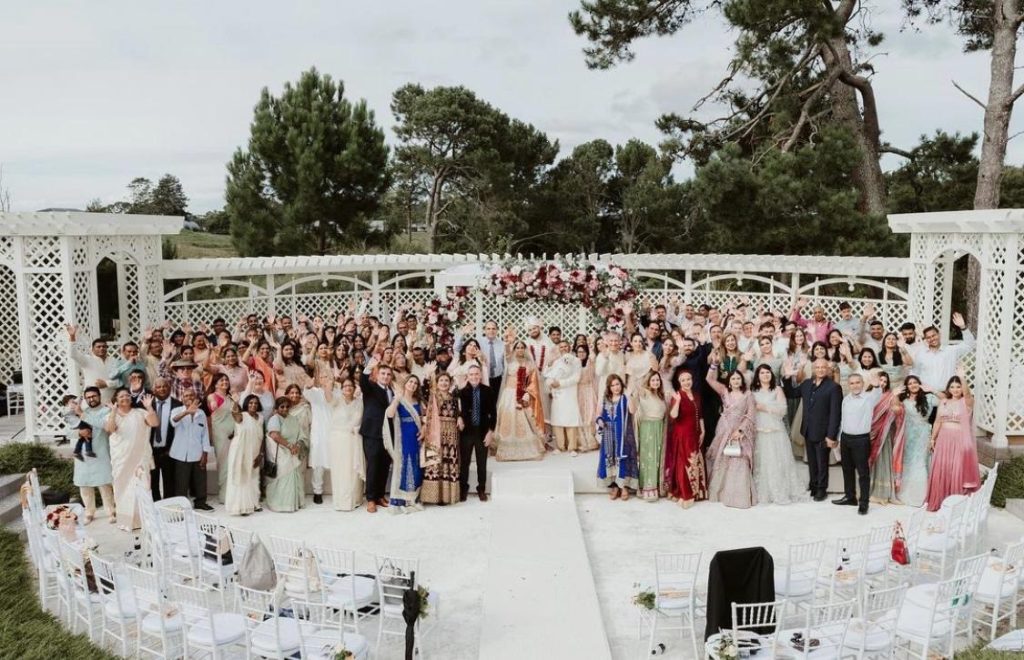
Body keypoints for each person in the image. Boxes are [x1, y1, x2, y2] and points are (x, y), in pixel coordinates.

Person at [924, 370, 981, 511]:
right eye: (952, 387)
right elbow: (937, 422)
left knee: (957, 469)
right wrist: (932, 439)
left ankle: (955, 504)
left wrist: (962, 377)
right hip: (943, 439)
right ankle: (940, 500)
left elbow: (967, 393)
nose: (955, 390)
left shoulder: (966, 402)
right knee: (942, 468)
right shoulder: (943, 402)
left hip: (959, 441)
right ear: (948, 389)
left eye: (958, 386)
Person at [704, 360, 757, 509]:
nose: (735, 380)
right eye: (733, 378)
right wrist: (714, 365)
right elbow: (709, 379)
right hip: (724, 429)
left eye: (738, 378)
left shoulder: (748, 395)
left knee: (739, 460)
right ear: (729, 381)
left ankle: (739, 497)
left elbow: (751, 415)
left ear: (742, 380)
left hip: (740, 432)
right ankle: (721, 493)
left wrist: (740, 431)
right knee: (723, 458)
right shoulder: (724, 391)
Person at [750, 365, 805, 505]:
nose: (765, 375)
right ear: (758, 376)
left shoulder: (777, 389)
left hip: (775, 430)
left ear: (771, 374)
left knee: (776, 459)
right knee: (763, 460)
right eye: (762, 373)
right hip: (759, 430)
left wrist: (765, 407)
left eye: (767, 372)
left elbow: (783, 410)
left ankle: (780, 490)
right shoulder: (752, 392)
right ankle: (764, 492)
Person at [104, 388, 158, 531]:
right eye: (121, 396)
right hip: (121, 460)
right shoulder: (111, 415)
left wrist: (149, 407)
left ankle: (145, 520)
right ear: (116, 399)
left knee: (143, 487)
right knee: (123, 490)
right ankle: (127, 521)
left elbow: (154, 423)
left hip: (139, 458)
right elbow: (110, 429)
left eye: (127, 395)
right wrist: (113, 412)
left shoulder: (140, 413)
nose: (125, 398)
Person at [834, 372, 881, 515]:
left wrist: (876, 384)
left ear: (862, 384)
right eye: (852, 383)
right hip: (845, 438)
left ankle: (864, 503)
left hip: (861, 440)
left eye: (858, 382)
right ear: (848, 385)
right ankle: (850, 497)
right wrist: (839, 439)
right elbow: (843, 420)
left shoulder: (868, 398)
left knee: (863, 472)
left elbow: (878, 393)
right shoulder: (846, 399)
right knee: (847, 469)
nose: (855, 385)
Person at [794, 359, 842, 501]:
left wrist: (831, 435)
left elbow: (835, 413)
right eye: (817, 367)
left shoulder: (834, 387)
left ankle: (822, 489)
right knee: (812, 461)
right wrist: (789, 374)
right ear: (813, 369)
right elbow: (792, 392)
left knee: (822, 463)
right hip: (808, 430)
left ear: (828, 369)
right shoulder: (807, 383)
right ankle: (813, 485)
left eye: (823, 367)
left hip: (823, 432)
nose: (820, 369)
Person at [495, 337, 546, 461]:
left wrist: (527, 393)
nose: (520, 350)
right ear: (514, 349)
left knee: (522, 420)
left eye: (522, 347)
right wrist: (508, 342)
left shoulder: (529, 364)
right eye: (517, 347)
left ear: (525, 349)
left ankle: (526, 449)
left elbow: (533, 382)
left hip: (522, 394)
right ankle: (506, 450)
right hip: (508, 394)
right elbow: (506, 352)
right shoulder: (509, 361)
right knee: (508, 418)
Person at [664, 368, 707, 507]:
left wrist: (703, 430)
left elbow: (699, 414)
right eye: (683, 380)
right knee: (684, 463)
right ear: (679, 382)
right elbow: (674, 416)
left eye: (688, 379)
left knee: (694, 462)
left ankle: (694, 492)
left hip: (695, 432)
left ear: (692, 380)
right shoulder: (677, 395)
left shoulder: (697, 395)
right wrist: (677, 401)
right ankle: (685, 493)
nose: (686, 382)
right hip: (682, 434)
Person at [893, 376, 936, 507]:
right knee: (909, 462)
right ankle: (907, 493)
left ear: (920, 384)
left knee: (921, 462)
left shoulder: (929, 398)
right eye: (910, 383)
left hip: (924, 434)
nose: (913, 385)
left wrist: (933, 390)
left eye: (915, 382)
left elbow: (945, 400)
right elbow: (895, 409)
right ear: (907, 387)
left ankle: (921, 495)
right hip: (908, 434)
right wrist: (895, 395)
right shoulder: (904, 401)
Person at [75, 388, 115, 525]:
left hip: (101, 451)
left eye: (94, 396)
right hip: (83, 454)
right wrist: (79, 433)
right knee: (84, 485)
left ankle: (110, 511)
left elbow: (103, 425)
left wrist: (82, 415)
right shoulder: (82, 411)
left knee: (104, 484)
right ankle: (89, 512)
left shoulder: (106, 411)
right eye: (88, 397)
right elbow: (68, 431)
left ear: (99, 396)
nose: (91, 399)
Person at [359, 357, 395, 513]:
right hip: (372, 432)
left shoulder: (392, 391)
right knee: (373, 465)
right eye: (383, 374)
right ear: (377, 375)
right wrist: (368, 367)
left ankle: (380, 495)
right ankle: (371, 499)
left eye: (388, 374)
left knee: (384, 465)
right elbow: (363, 382)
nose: (386, 376)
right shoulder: (371, 387)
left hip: (388, 434)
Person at [384, 374, 424, 512]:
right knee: (405, 464)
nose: (412, 384)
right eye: (410, 382)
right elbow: (389, 414)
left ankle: (413, 498)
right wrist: (397, 399)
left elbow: (423, 418)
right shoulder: (399, 399)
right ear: (405, 383)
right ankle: (402, 499)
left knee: (416, 464)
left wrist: (423, 429)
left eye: (415, 383)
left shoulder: (418, 401)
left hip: (417, 437)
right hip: (404, 437)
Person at [169, 389, 214, 511]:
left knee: (200, 481)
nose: (189, 397)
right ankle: (181, 505)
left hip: (197, 453)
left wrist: (205, 454)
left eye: (191, 395)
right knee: (181, 482)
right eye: (186, 395)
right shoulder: (176, 411)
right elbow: (174, 421)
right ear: (182, 398)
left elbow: (204, 435)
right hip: (180, 453)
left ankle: (200, 502)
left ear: (196, 398)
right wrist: (187, 412)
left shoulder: (201, 413)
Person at [457, 365, 497, 502]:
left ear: (480, 375)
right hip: (466, 432)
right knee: (464, 462)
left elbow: (493, 413)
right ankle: (463, 488)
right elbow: (457, 410)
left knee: (482, 462)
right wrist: (459, 418)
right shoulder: (461, 392)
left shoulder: (488, 391)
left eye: (476, 374)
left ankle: (481, 488)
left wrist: (490, 432)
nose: (474, 377)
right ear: (467, 376)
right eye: (471, 374)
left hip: (482, 431)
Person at [597, 374, 639, 500]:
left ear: (621, 385)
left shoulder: (624, 398)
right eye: (613, 385)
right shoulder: (605, 399)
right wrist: (599, 420)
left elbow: (632, 410)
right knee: (610, 459)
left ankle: (623, 487)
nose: (616, 387)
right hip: (609, 433)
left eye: (618, 384)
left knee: (622, 458)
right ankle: (614, 486)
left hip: (623, 434)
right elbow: (599, 414)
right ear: (609, 387)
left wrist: (629, 395)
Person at [421, 373, 461, 505]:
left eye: (446, 380)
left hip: (451, 432)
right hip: (437, 431)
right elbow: (430, 416)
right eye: (441, 380)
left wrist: (459, 417)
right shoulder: (434, 396)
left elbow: (458, 413)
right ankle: (435, 496)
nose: (444, 383)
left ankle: (447, 496)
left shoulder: (454, 397)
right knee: (436, 460)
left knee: (449, 460)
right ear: (437, 383)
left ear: (450, 383)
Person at [326, 378, 365, 511]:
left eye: (350, 385)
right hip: (338, 440)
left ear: (354, 388)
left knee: (352, 470)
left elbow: (358, 419)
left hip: (353, 439)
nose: (348, 388)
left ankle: (354, 499)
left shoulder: (359, 402)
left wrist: (351, 430)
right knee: (340, 470)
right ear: (341, 388)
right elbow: (328, 396)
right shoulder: (337, 401)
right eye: (345, 386)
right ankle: (341, 501)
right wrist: (330, 382)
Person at [910, 313, 976, 391]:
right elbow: (915, 373)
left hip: (946, 393)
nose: (932, 339)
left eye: (933, 335)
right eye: (928, 337)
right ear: (926, 340)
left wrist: (963, 327)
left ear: (939, 334)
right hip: (926, 394)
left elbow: (969, 345)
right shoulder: (921, 354)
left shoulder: (950, 350)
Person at [264, 396, 307, 513]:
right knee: (284, 476)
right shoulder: (275, 419)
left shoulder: (293, 419)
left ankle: (293, 503)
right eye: (282, 406)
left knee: (293, 475)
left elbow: (301, 435)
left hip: (293, 451)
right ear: (277, 408)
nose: (285, 409)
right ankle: (280, 504)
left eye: (287, 406)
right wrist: (289, 446)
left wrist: (297, 446)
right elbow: (274, 435)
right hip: (280, 453)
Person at [304, 372, 342, 505]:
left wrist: (329, 388)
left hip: (334, 431)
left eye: (327, 376)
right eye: (322, 377)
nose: (325, 379)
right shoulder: (314, 392)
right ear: (319, 379)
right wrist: (308, 387)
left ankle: (339, 490)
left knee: (336, 462)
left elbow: (331, 401)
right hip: (319, 433)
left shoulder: (338, 392)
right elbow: (307, 394)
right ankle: (317, 491)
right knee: (318, 464)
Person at [224, 394, 263, 516]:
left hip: (255, 451)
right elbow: (235, 414)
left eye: (255, 403)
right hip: (240, 450)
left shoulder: (260, 418)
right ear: (246, 404)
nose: (253, 405)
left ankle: (254, 504)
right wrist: (235, 403)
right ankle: (240, 507)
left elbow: (262, 437)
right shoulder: (242, 416)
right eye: (250, 403)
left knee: (254, 477)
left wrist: (261, 454)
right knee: (241, 476)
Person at [631, 371, 667, 502]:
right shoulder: (645, 393)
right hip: (648, 428)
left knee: (657, 458)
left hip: (659, 428)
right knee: (648, 457)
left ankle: (656, 486)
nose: (656, 382)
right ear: (648, 382)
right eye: (653, 380)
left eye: (657, 380)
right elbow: (635, 383)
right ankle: (647, 487)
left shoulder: (661, 396)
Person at [544, 341, 583, 455]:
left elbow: (576, 378)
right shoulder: (556, 361)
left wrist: (560, 383)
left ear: (569, 347)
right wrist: (551, 380)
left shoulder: (576, 361)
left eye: (565, 346)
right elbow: (546, 373)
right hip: (557, 394)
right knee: (557, 418)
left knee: (570, 418)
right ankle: (560, 446)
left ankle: (572, 447)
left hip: (569, 392)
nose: (563, 348)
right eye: (561, 347)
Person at [868, 372, 900, 504]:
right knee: (870, 462)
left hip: (884, 434)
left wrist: (895, 397)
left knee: (883, 460)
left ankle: (883, 494)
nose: (882, 383)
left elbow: (897, 411)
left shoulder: (890, 395)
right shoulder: (868, 394)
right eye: (880, 380)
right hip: (869, 432)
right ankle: (870, 491)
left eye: (885, 381)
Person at [66, 325, 115, 402]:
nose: (101, 348)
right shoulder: (87, 360)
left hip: (111, 400)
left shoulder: (113, 361)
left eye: (104, 346)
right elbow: (73, 354)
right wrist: (72, 337)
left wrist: (107, 383)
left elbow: (119, 380)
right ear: (92, 349)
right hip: (92, 401)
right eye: (98, 347)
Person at [206, 373, 234, 504]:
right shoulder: (212, 396)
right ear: (215, 383)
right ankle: (224, 495)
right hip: (221, 435)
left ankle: (234, 493)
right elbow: (213, 405)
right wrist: (213, 405)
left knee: (233, 463)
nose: (224, 382)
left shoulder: (231, 397)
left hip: (234, 434)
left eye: (226, 380)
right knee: (224, 464)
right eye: (221, 380)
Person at [575, 344, 601, 452]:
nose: (581, 354)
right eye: (579, 352)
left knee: (590, 415)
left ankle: (591, 441)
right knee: (580, 415)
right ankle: (581, 441)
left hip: (589, 390)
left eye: (583, 352)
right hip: (578, 390)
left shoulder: (590, 362)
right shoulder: (574, 363)